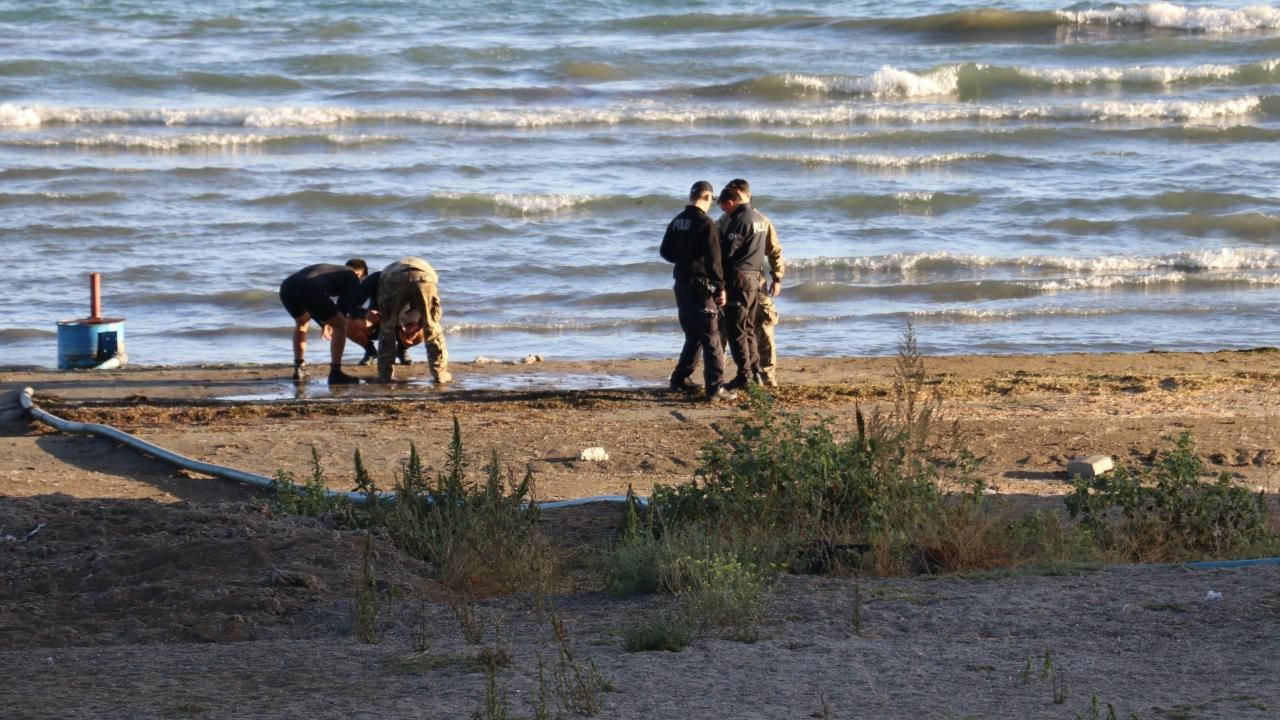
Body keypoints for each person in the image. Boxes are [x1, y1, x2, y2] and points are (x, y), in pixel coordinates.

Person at [659, 180, 736, 402]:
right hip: (700, 286)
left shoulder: (677, 221)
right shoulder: (706, 224)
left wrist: (683, 260)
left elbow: (665, 252)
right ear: (708, 198)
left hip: (681, 282)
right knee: (711, 335)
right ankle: (715, 387)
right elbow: (715, 261)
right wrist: (720, 288)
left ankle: (679, 379)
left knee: (693, 333)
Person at [717, 178, 784, 387]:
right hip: (742, 280)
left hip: (751, 280)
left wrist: (777, 276)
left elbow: (774, 250)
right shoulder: (723, 221)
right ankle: (720, 373)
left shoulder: (760, 220)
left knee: (761, 327)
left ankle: (765, 374)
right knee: (725, 328)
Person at [278, 259, 367, 384]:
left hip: (287, 286)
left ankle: (299, 368)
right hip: (309, 286)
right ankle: (336, 373)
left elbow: (315, 301)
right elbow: (342, 309)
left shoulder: (333, 269)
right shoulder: (353, 277)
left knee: (302, 323)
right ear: (359, 275)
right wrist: (329, 322)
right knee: (341, 326)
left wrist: (325, 322)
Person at [375, 257, 450, 384]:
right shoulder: (429, 269)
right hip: (424, 276)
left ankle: (384, 375)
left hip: (393, 277)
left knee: (387, 327)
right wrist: (423, 323)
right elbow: (434, 313)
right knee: (431, 325)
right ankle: (440, 374)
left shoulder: (385, 272)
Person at [346, 270, 420, 366]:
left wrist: (413, 327)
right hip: (376, 322)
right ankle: (370, 351)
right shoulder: (374, 279)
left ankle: (402, 350)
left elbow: (422, 311)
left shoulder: (414, 284)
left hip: (401, 324)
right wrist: (366, 314)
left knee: (424, 329)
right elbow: (351, 307)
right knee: (347, 324)